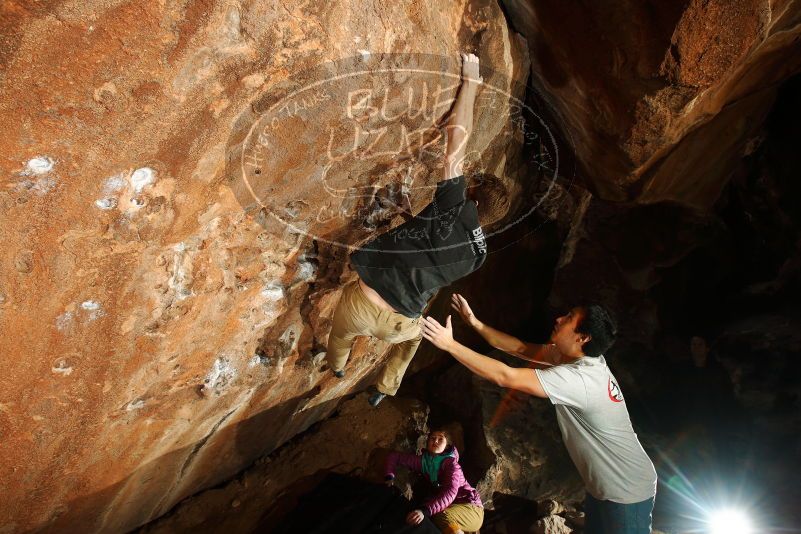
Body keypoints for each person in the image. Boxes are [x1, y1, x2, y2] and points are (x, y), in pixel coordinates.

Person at [326, 53, 510, 406]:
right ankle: (385, 389)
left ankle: (337, 367)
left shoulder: (455, 205)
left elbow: (456, 143)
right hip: (399, 325)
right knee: (413, 341)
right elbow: (433, 249)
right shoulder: (479, 256)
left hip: (362, 305)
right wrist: (414, 219)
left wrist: (471, 81)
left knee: (340, 336)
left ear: (471, 196)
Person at [421, 295, 658, 533]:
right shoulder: (577, 357)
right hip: (604, 488)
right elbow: (520, 348)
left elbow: (505, 376)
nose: (559, 318)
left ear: (582, 337)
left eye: (569, 318)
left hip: (627, 491)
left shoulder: (581, 380)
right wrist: (474, 323)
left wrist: (450, 345)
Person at [385, 428, 484, 534]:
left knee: (440, 516)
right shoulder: (424, 462)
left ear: (447, 445)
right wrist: (389, 476)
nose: (435, 441)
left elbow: (450, 492)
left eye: (440, 439)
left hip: (471, 509)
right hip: (454, 510)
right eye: (433, 438)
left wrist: (425, 510)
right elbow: (395, 457)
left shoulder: (452, 465)